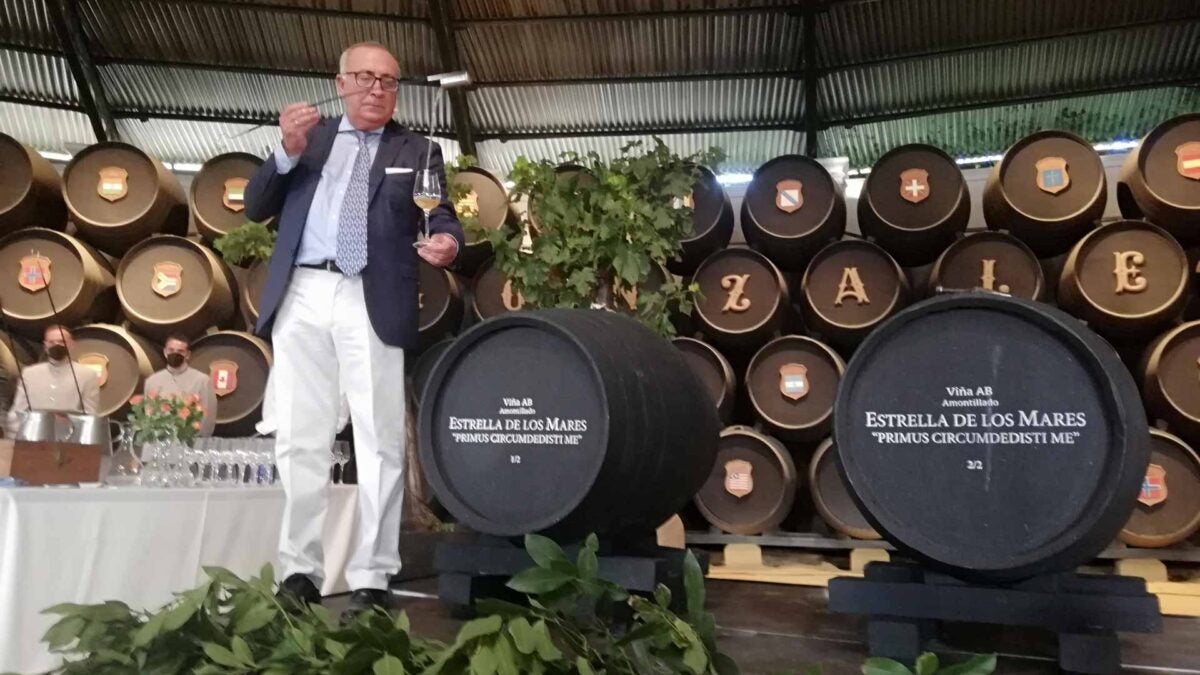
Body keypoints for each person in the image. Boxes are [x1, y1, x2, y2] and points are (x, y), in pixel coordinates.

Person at [243, 41, 463, 619]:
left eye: (388, 81)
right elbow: (255, 204)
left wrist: (446, 239)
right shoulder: (308, 140)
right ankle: (299, 572)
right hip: (304, 292)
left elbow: (437, 213)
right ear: (338, 83)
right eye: (364, 78)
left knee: (380, 438)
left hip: (372, 295)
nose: (376, 89)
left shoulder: (417, 149)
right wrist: (285, 152)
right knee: (299, 436)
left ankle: (372, 576)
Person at [5, 325, 100, 437]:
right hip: (32, 439)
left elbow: (91, 415)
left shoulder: (87, 375)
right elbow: (17, 411)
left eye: (61, 342)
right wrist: (16, 437)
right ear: (45, 346)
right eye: (51, 342)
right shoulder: (29, 373)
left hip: (71, 440)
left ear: (71, 345)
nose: (56, 345)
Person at [142, 334, 217, 436]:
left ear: (188, 354)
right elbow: (149, 414)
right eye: (171, 350)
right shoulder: (152, 381)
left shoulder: (202, 380)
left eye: (180, 351)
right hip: (160, 442)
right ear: (165, 352)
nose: (175, 354)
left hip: (191, 442)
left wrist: (198, 440)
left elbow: (208, 417)